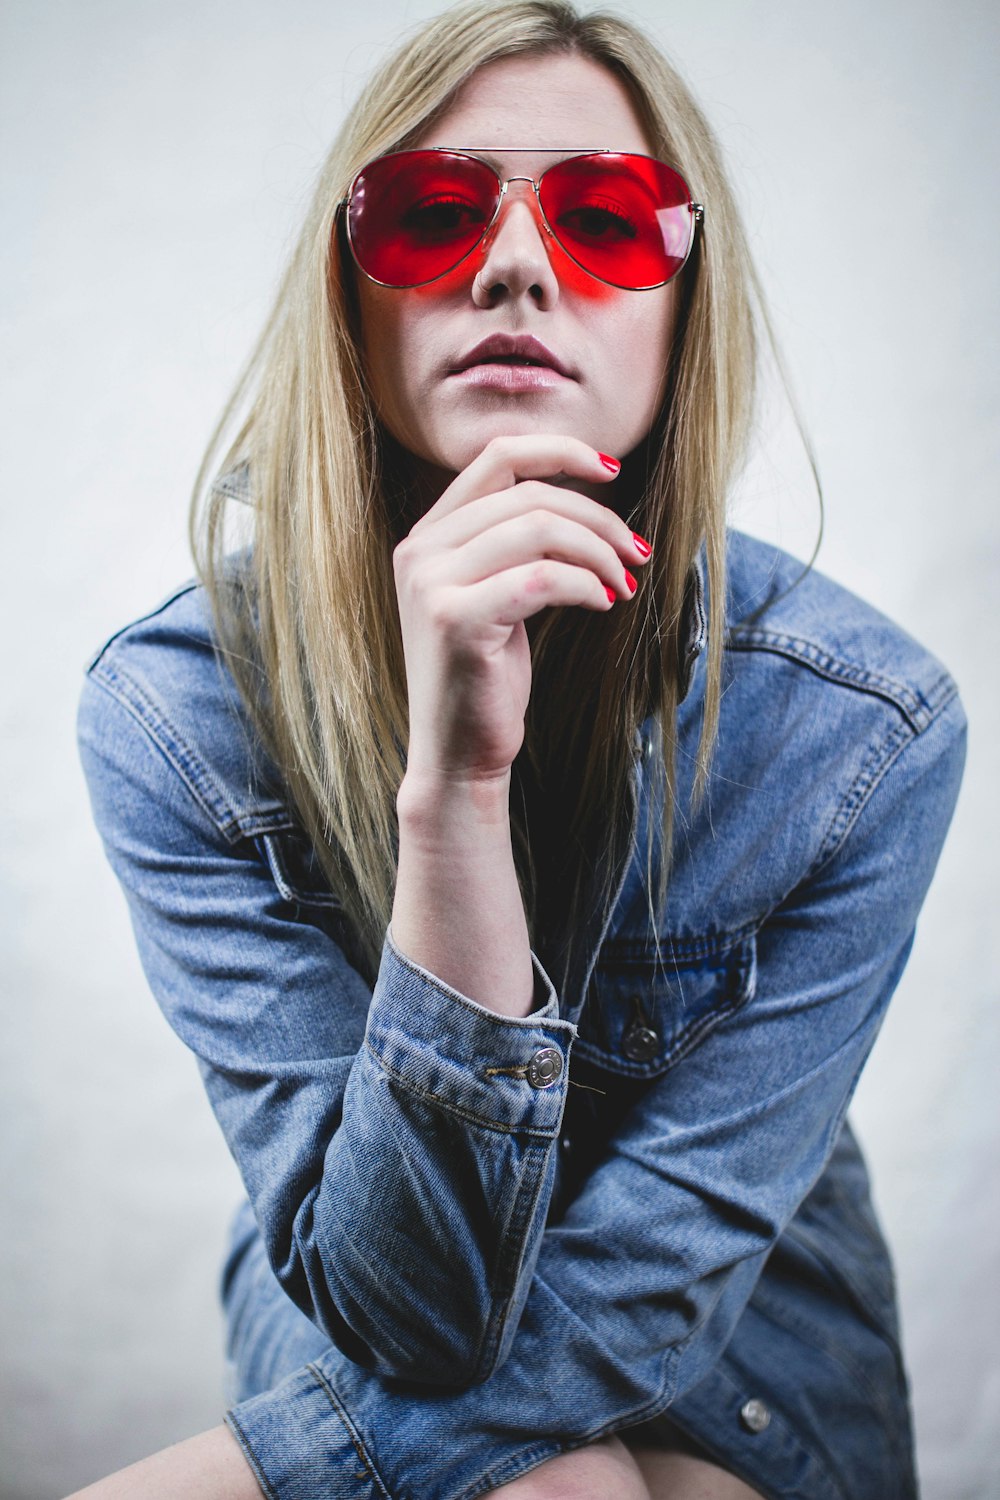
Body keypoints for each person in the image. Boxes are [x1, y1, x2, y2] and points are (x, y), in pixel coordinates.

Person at [72, 2, 966, 1497]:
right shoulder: (181, 713)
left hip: (738, 1360)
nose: (514, 263)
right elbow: (406, 1318)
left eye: (606, 219)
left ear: (687, 311)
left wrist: (251, 1479)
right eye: (429, 211)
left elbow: (644, 1297)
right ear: (346, 307)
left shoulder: (862, 727)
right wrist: (454, 802)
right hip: (354, 1327)